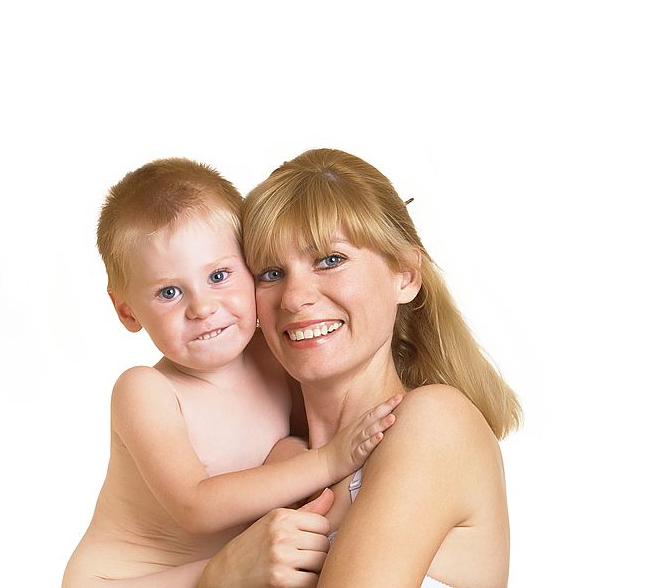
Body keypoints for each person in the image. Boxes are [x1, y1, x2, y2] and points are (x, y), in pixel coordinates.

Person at [61, 158, 402, 588]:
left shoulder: (275, 357)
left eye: (219, 276)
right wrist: (328, 459)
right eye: (169, 292)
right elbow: (196, 506)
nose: (202, 307)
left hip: (233, 568)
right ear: (127, 310)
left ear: (252, 269)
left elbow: (299, 450)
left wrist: (300, 453)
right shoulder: (146, 391)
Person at [197, 148, 522, 587]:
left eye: (330, 260)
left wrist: (220, 577)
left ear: (404, 275)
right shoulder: (276, 468)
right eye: (271, 273)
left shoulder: (434, 423)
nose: (294, 298)